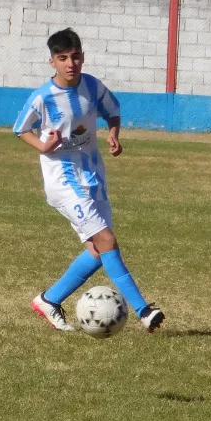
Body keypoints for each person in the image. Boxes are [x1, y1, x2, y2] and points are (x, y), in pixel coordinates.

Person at [14, 28, 164, 332]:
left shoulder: (93, 87)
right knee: (107, 240)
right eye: (63, 58)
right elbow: (20, 128)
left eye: (76, 56)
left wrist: (113, 133)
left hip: (93, 176)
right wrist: (43, 146)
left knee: (98, 251)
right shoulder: (43, 97)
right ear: (52, 62)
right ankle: (143, 310)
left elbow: (113, 111)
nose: (71, 63)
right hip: (63, 182)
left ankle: (49, 299)